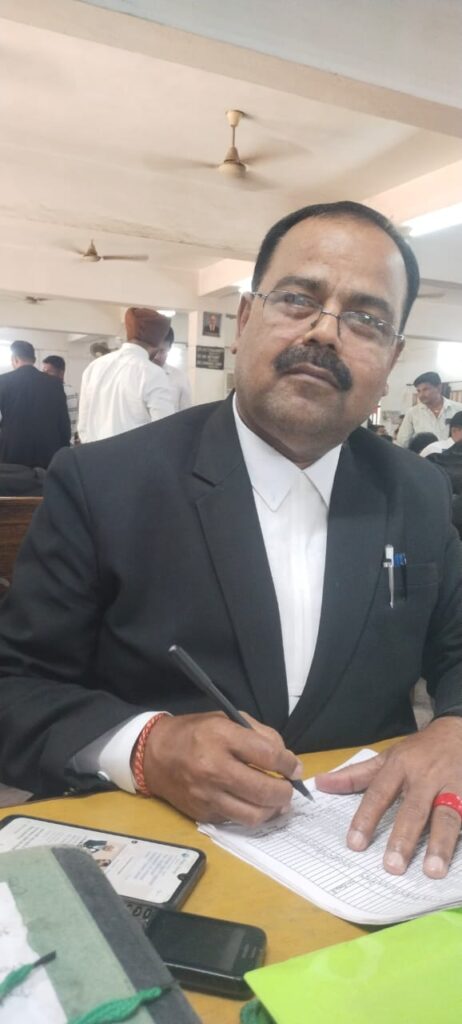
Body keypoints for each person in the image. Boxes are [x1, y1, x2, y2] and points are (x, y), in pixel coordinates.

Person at [1, 201, 462, 884]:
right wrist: (147, 747)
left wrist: (454, 728)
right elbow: (15, 687)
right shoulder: (104, 484)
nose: (325, 332)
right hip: (162, 866)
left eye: (365, 319)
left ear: (392, 359)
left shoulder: (418, 490)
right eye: (298, 299)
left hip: (374, 868)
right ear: (244, 320)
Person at [77, 309, 174, 442]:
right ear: (157, 342)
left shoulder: (94, 367)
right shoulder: (153, 373)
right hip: (135, 454)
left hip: (94, 452)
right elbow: (165, 429)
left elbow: (83, 425)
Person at [0, 340, 70, 468]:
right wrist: (64, 448)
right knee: (46, 480)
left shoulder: (3, 381)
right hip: (48, 451)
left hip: (13, 451)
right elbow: (63, 422)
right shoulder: (54, 383)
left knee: (16, 481)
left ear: (15, 359)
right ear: (34, 359)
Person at [396, 372, 462, 448]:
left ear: (439, 388)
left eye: (425, 389)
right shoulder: (413, 413)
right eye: (418, 391)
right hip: (423, 455)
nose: (421, 395)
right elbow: (402, 442)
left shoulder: (458, 409)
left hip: (454, 454)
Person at [150, 328, 192, 411]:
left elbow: (186, 413)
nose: (156, 357)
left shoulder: (180, 378)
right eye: (154, 351)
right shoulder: (137, 375)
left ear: (169, 348)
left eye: (162, 351)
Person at [42, 355, 79, 444]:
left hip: (59, 442)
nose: (44, 375)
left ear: (61, 373)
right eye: (43, 372)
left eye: (49, 372)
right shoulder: (72, 390)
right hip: (68, 442)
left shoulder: (60, 392)